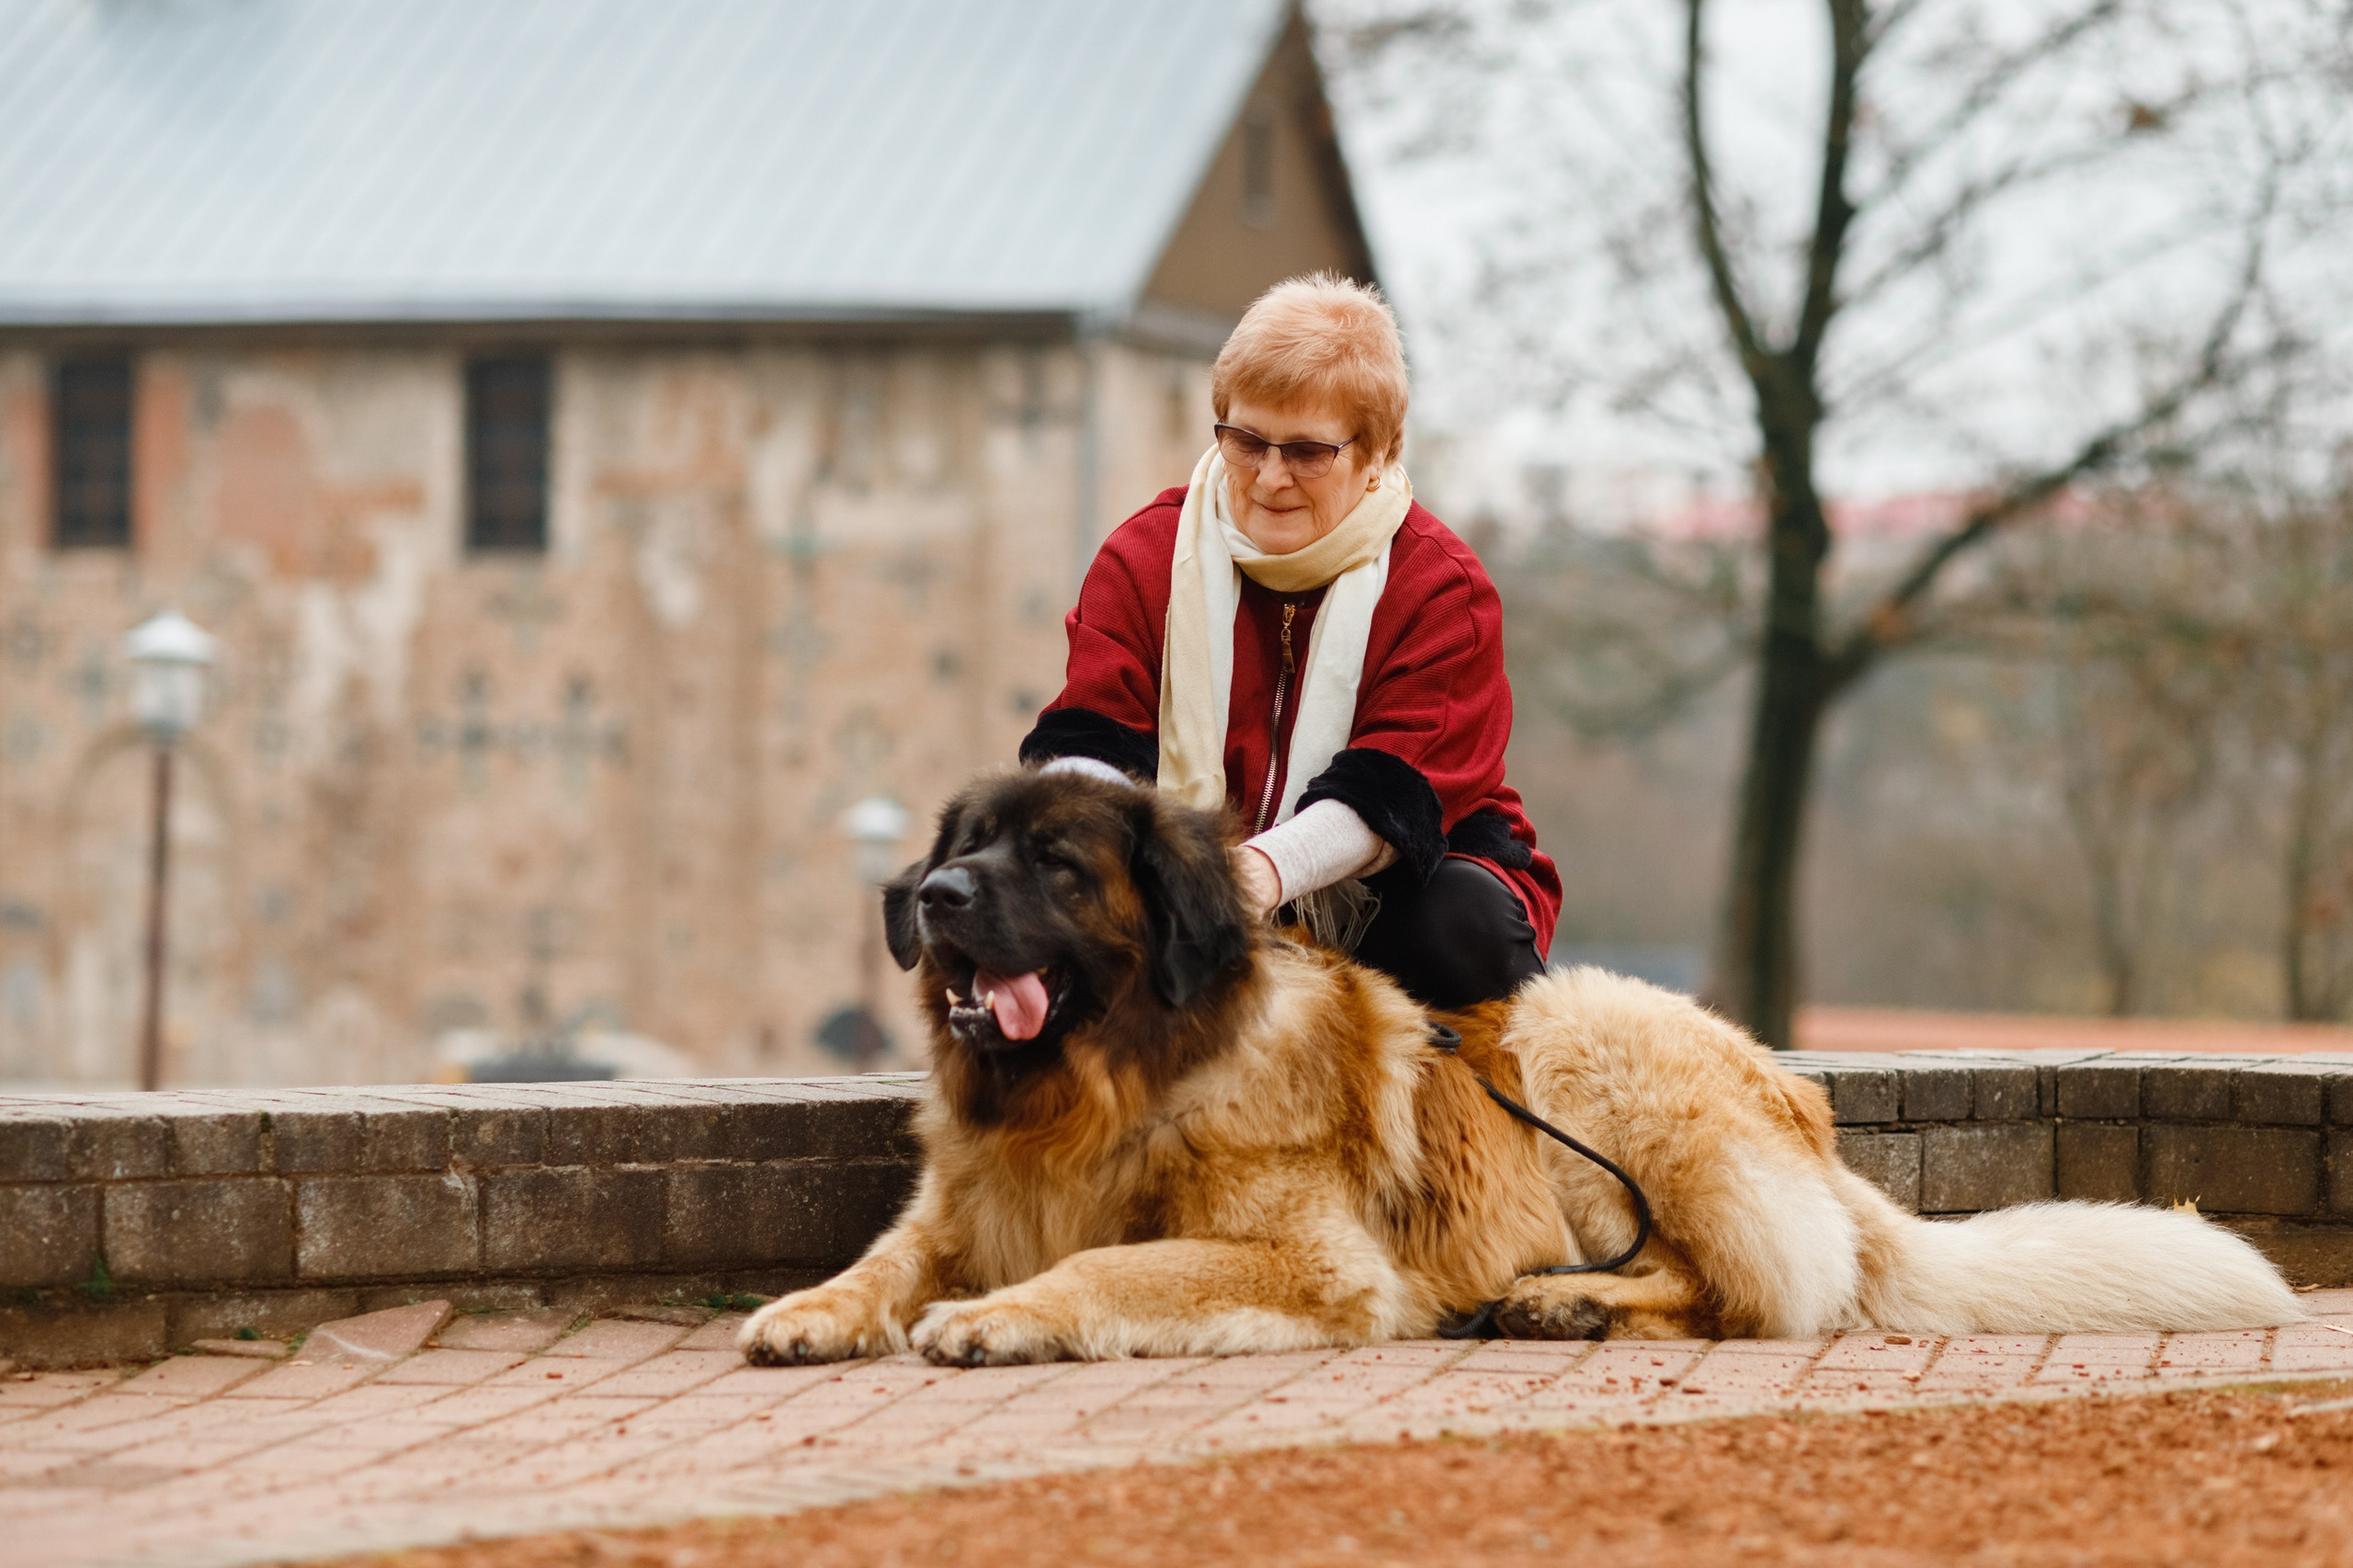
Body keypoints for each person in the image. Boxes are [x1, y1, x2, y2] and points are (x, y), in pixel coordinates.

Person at [1018, 273, 1559, 1010]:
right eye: (1246, 442)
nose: (1270, 478)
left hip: (1390, 888)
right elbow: (1097, 742)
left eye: (1307, 452)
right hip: (1180, 882)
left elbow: (1386, 799)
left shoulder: (1441, 588)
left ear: (1375, 455)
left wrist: (1251, 879)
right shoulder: (1143, 557)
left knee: (1459, 921)